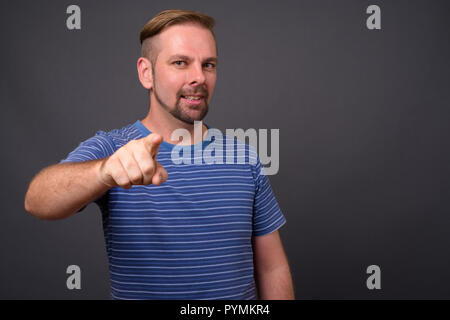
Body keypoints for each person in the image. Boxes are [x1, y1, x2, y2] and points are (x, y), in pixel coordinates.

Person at [24, 9, 294, 300]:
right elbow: (38, 199)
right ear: (146, 73)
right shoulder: (114, 149)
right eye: (180, 63)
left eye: (209, 64)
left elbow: (272, 268)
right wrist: (105, 172)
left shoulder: (244, 157)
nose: (198, 77)